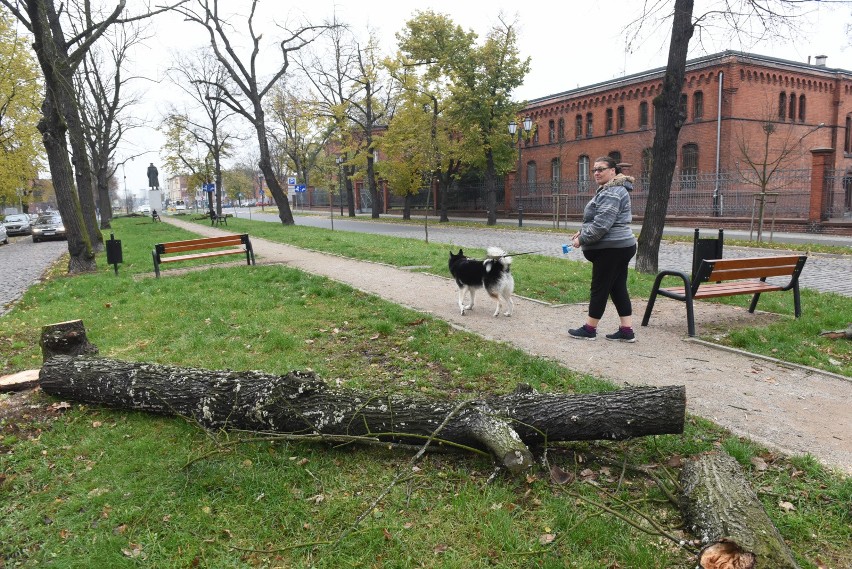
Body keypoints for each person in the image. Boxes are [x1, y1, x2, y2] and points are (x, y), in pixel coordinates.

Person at [568, 156, 637, 342]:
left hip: (611, 249)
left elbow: (602, 225)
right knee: (617, 287)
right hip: (619, 246)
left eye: (601, 169)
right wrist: (582, 231)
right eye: (594, 170)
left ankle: (590, 329)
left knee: (599, 288)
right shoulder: (610, 189)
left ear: (613, 171)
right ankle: (626, 330)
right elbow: (600, 219)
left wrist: (582, 239)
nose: (596, 172)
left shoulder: (612, 192)